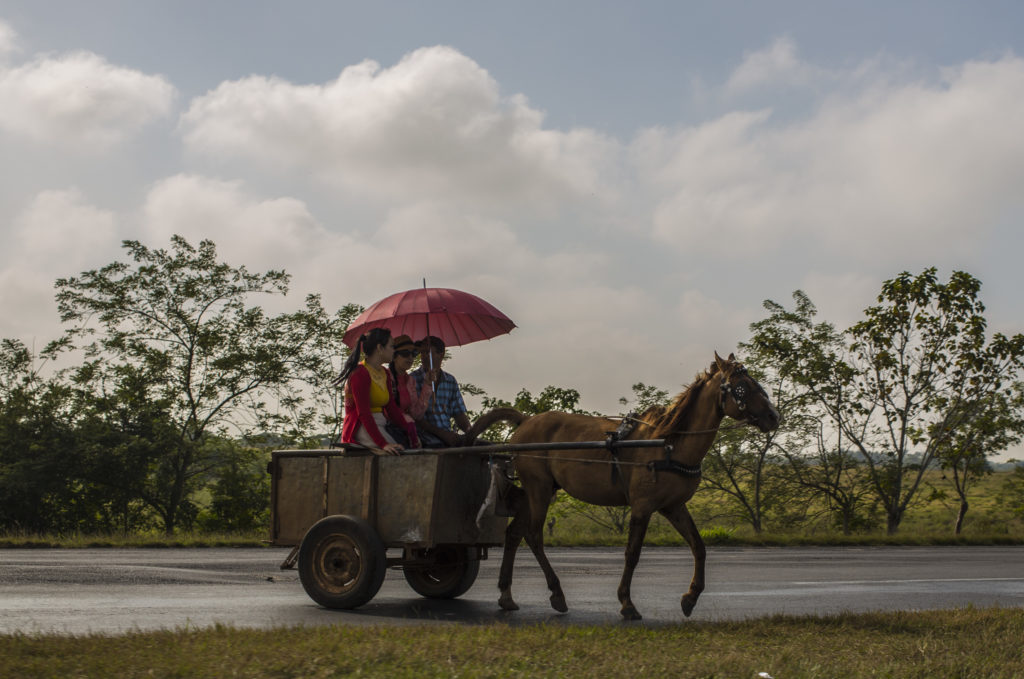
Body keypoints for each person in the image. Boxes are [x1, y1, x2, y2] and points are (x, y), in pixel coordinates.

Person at [335, 328, 419, 455]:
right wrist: (383, 444)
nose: (393, 350)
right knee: (396, 453)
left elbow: (391, 407)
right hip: (362, 427)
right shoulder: (360, 373)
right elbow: (363, 414)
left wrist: (408, 428)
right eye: (391, 346)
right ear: (380, 348)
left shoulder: (384, 373)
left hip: (380, 425)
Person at [410, 335, 472, 447]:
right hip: (424, 440)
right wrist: (443, 434)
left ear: (441, 354)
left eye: (427, 352)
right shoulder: (413, 379)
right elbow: (415, 417)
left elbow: (459, 414)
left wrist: (470, 432)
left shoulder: (450, 380)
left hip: (449, 439)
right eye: (422, 352)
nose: (423, 356)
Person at [387, 335, 434, 421]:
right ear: (394, 357)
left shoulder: (410, 381)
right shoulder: (385, 378)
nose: (410, 358)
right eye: (405, 353)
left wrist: (427, 384)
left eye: (414, 354)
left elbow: (416, 414)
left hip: (406, 428)